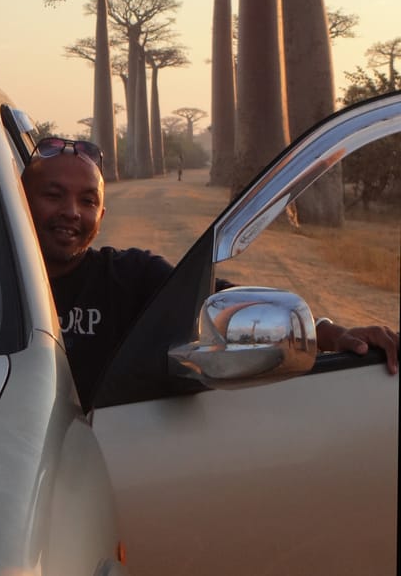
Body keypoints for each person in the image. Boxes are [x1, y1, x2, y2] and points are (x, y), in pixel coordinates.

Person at [21, 136, 401, 410]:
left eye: (87, 200)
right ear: (19, 200)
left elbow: (221, 302)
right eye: (53, 195)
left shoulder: (128, 277)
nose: (71, 212)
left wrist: (333, 333)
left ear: (101, 216)